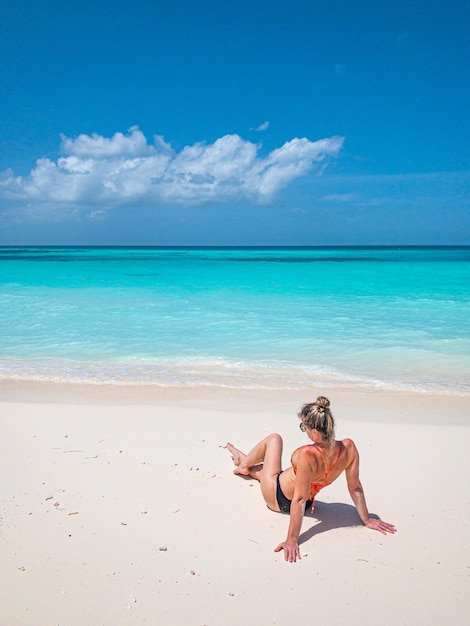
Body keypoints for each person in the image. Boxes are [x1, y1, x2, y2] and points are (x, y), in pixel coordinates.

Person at [227, 396, 396, 563]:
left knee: (274, 439)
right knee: (260, 472)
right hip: (307, 504)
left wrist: (291, 540)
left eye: (304, 427)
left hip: (277, 497)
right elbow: (355, 488)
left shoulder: (308, 454)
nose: (304, 431)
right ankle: (244, 461)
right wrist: (367, 520)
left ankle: (244, 464)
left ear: (314, 432)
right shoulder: (348, 448)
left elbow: (299, 500)